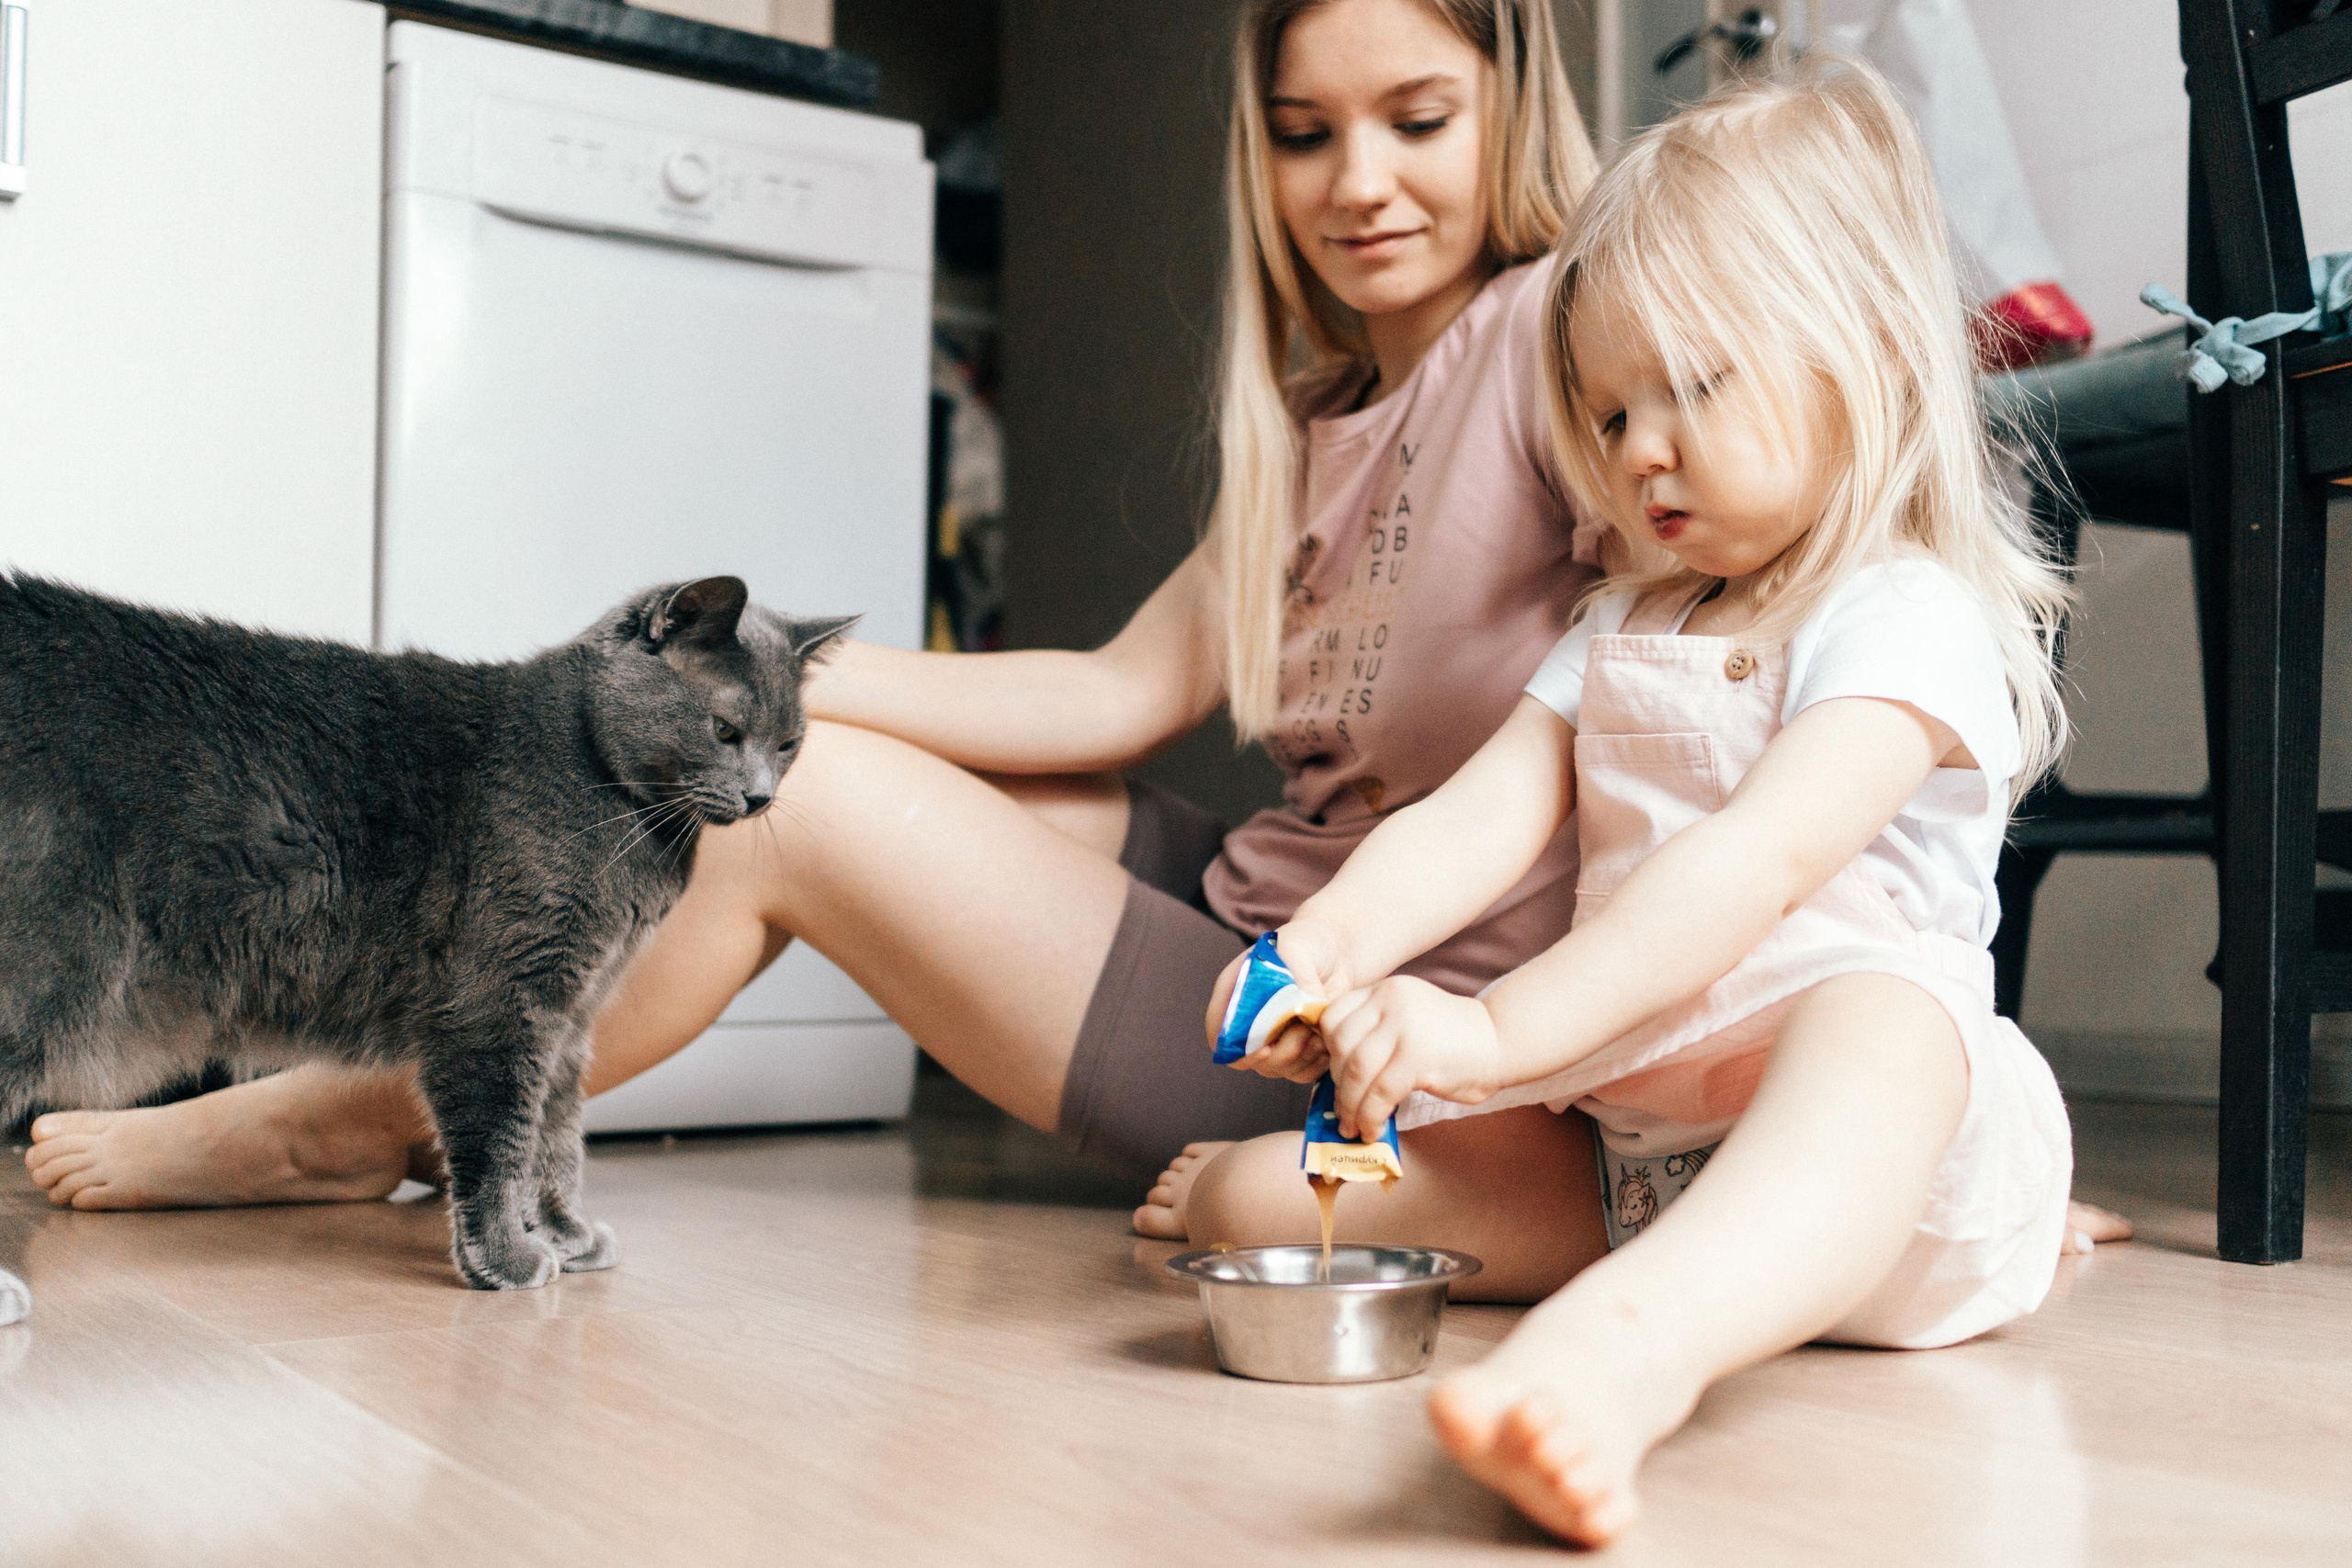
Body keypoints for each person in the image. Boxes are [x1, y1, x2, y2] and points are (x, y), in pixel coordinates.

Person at [24, 0, 1613, 1221]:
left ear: (1512, 107)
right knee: (855, 771)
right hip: (1273, 903)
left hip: (1376, 1026)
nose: (1361, 184)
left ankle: (340, 1125)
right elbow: (1118, 691)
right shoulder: (1321, 408)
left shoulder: (1563, 334)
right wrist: (770, 684)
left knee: (777, 817)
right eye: (1304, 133)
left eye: (1418, 120)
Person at [1159, 61, 2105, 1548]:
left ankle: (1620, 1362)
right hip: (1637, 1167)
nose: (1639, 449)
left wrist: (1490, 1033)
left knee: (1880, 1025)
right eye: (1604, 411)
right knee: (1249, 1200)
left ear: (1864, 351)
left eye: (1697, 386)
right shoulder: (1624, 623)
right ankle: (1656, 1275)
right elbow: (1476, 817)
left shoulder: (1903, 616)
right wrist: (1329, 951)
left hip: (1890, 1164)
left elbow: (1754, 860)